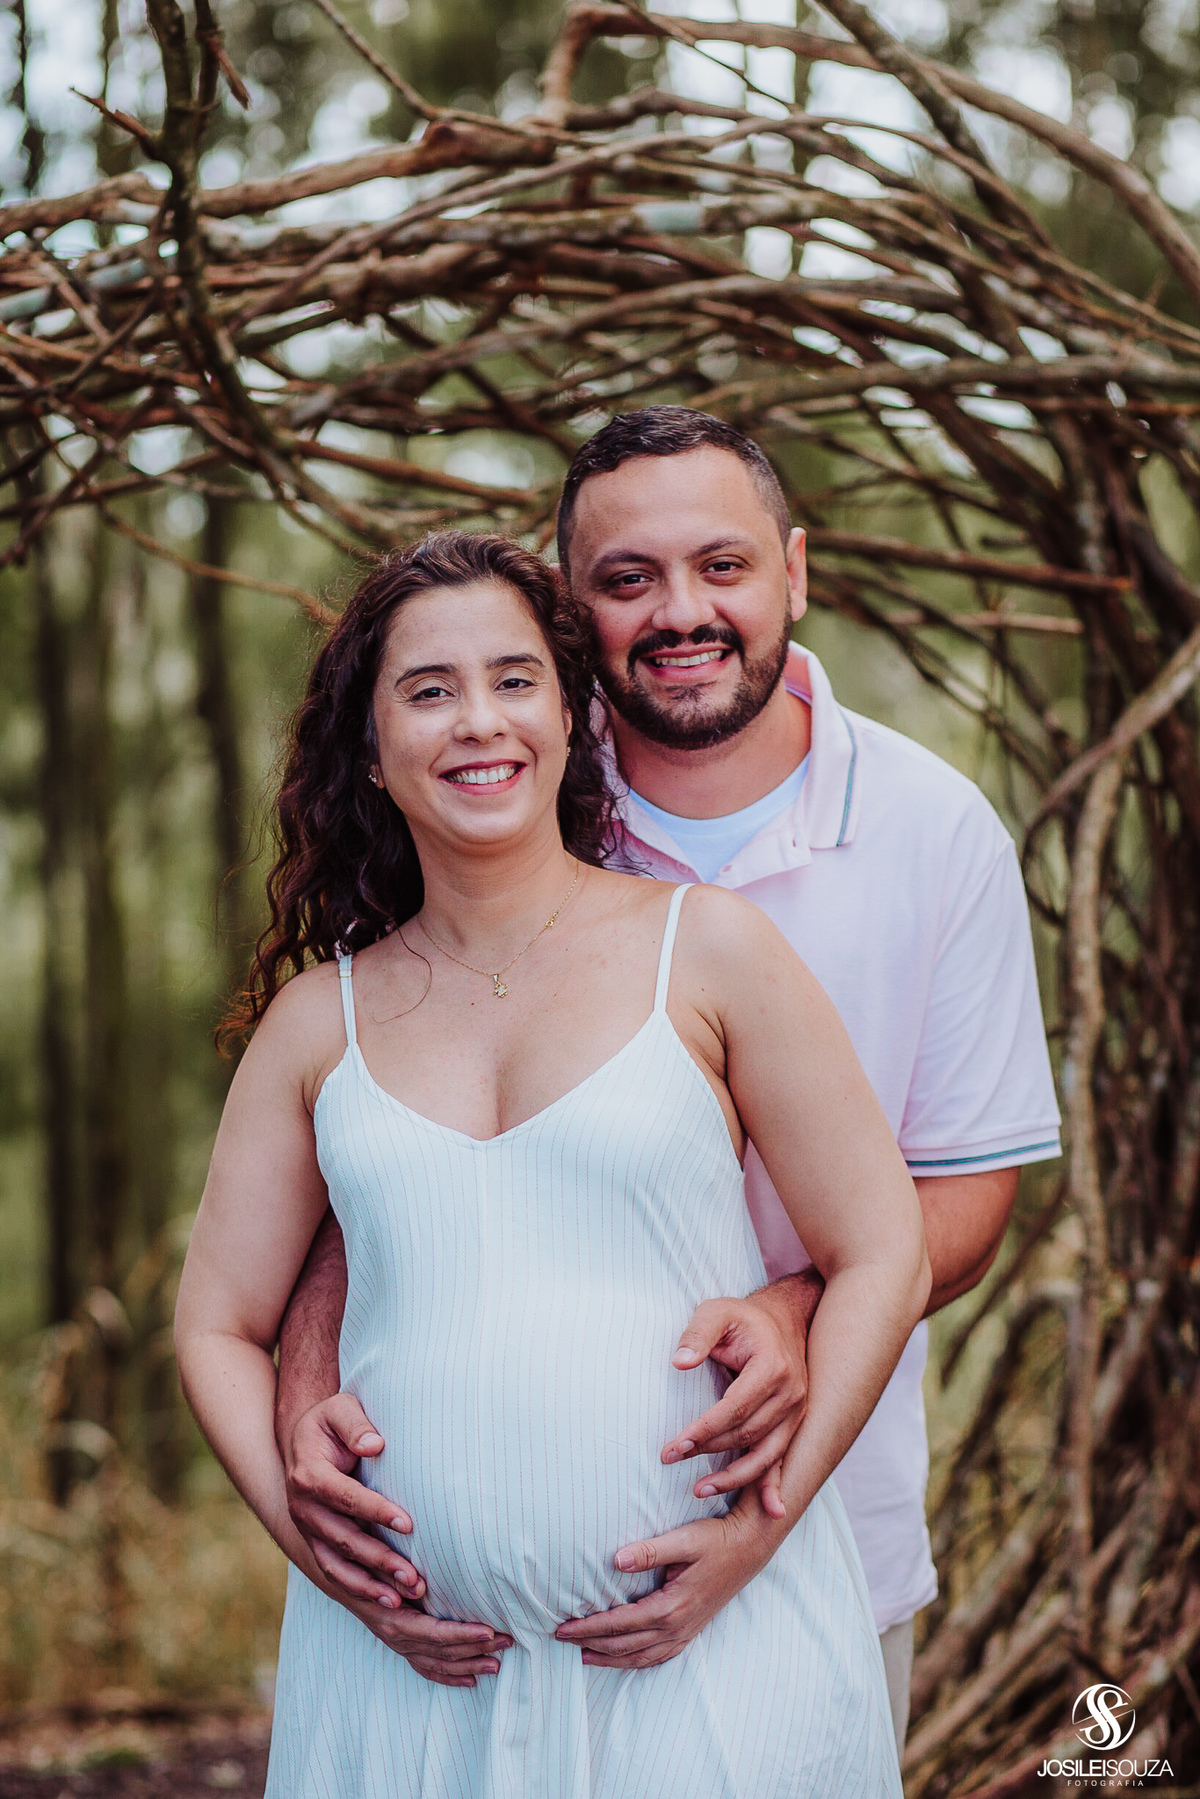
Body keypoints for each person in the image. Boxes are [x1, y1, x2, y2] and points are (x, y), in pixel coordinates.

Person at [277, 409, 1062, 1750]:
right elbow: (374, 1131)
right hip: (456, 1600)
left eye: (725, 564)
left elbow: (967, 1187)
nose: (683, 610)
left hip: (815, 1525)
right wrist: (303, 1380)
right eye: (628, 578)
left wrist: (798, 1300)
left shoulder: (938, 834)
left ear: (795, 571)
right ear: (571, 610)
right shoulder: (492, 786)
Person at [175, 532, 928, 1797]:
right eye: (428, 689)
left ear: (573, 716)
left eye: (515, 679)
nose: (479, 721)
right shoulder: (322, 1020)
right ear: (368, 745)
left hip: (716, 1663)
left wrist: (763, 1524)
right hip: (406, 1689)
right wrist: (320, 1556)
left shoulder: (711, 951)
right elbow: (215, 1323)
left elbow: (883, 1245)